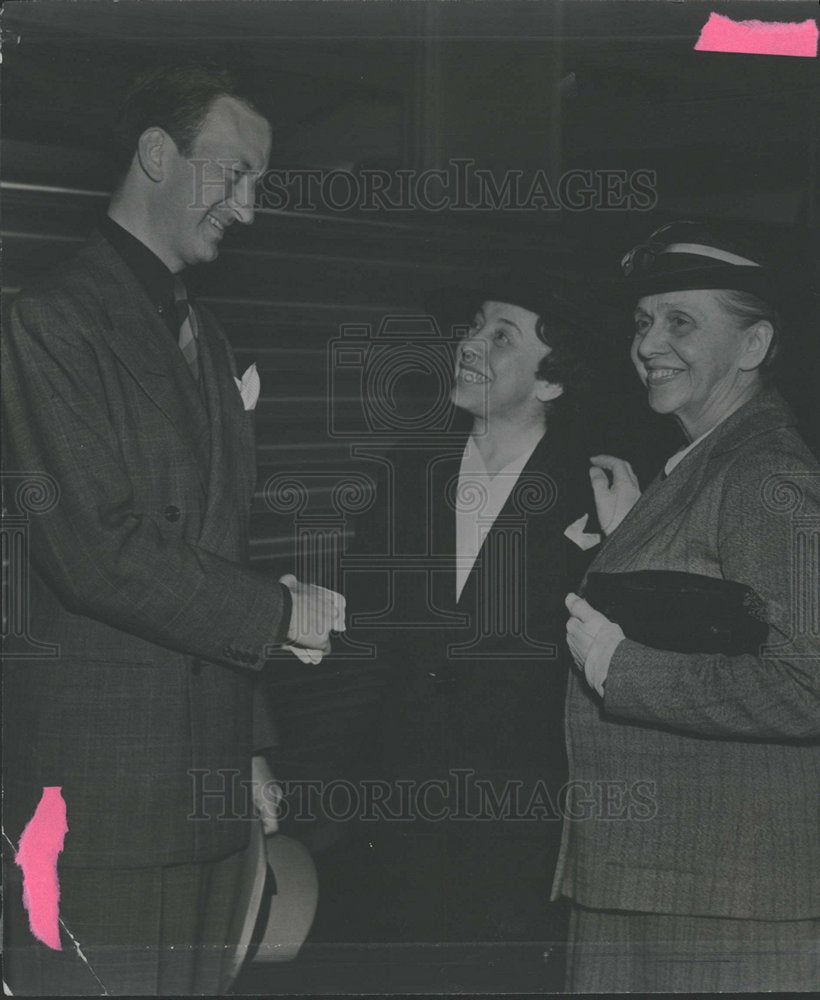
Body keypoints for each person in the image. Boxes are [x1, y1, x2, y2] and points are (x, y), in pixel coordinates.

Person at [2, 64, 341, 995]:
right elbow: (93, 552)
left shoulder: (208, 337)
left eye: (260, 183)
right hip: (97, 807)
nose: (250, 207)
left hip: (206, 797)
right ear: (157, 154)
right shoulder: (49, 326)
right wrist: (279, 615)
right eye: (235, 174)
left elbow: (211, 552)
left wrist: (253, 741)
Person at [554, 221, 820, 992]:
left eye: (681, 322)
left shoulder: (768, 473)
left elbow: (809, 682)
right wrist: (641, 536)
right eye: (643, 322)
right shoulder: (705, 464)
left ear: (753, 345)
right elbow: (728, 621)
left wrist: (622, 672)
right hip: (670, 886)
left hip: (723, 905)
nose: (649, 344)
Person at [339, 269, 601, 972]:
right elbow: (362, 627)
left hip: (521, 830)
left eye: (501, 335)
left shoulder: (599, 492)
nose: (470, 344)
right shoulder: (405, 470)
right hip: (395, 815)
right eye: (475, 324)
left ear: (550, 381)